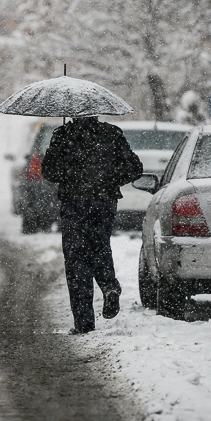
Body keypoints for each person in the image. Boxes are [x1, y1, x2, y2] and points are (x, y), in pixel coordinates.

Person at [41, 116, 143, 334]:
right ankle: (109, 286)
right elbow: (134, 168)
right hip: (103, 202)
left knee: (76, 259)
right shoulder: (111, 133)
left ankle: (83, 322)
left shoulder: (62, 135)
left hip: (74, 203)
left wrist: (69, 173)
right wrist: (110, 180)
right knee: (99, 246)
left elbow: (49, 172)